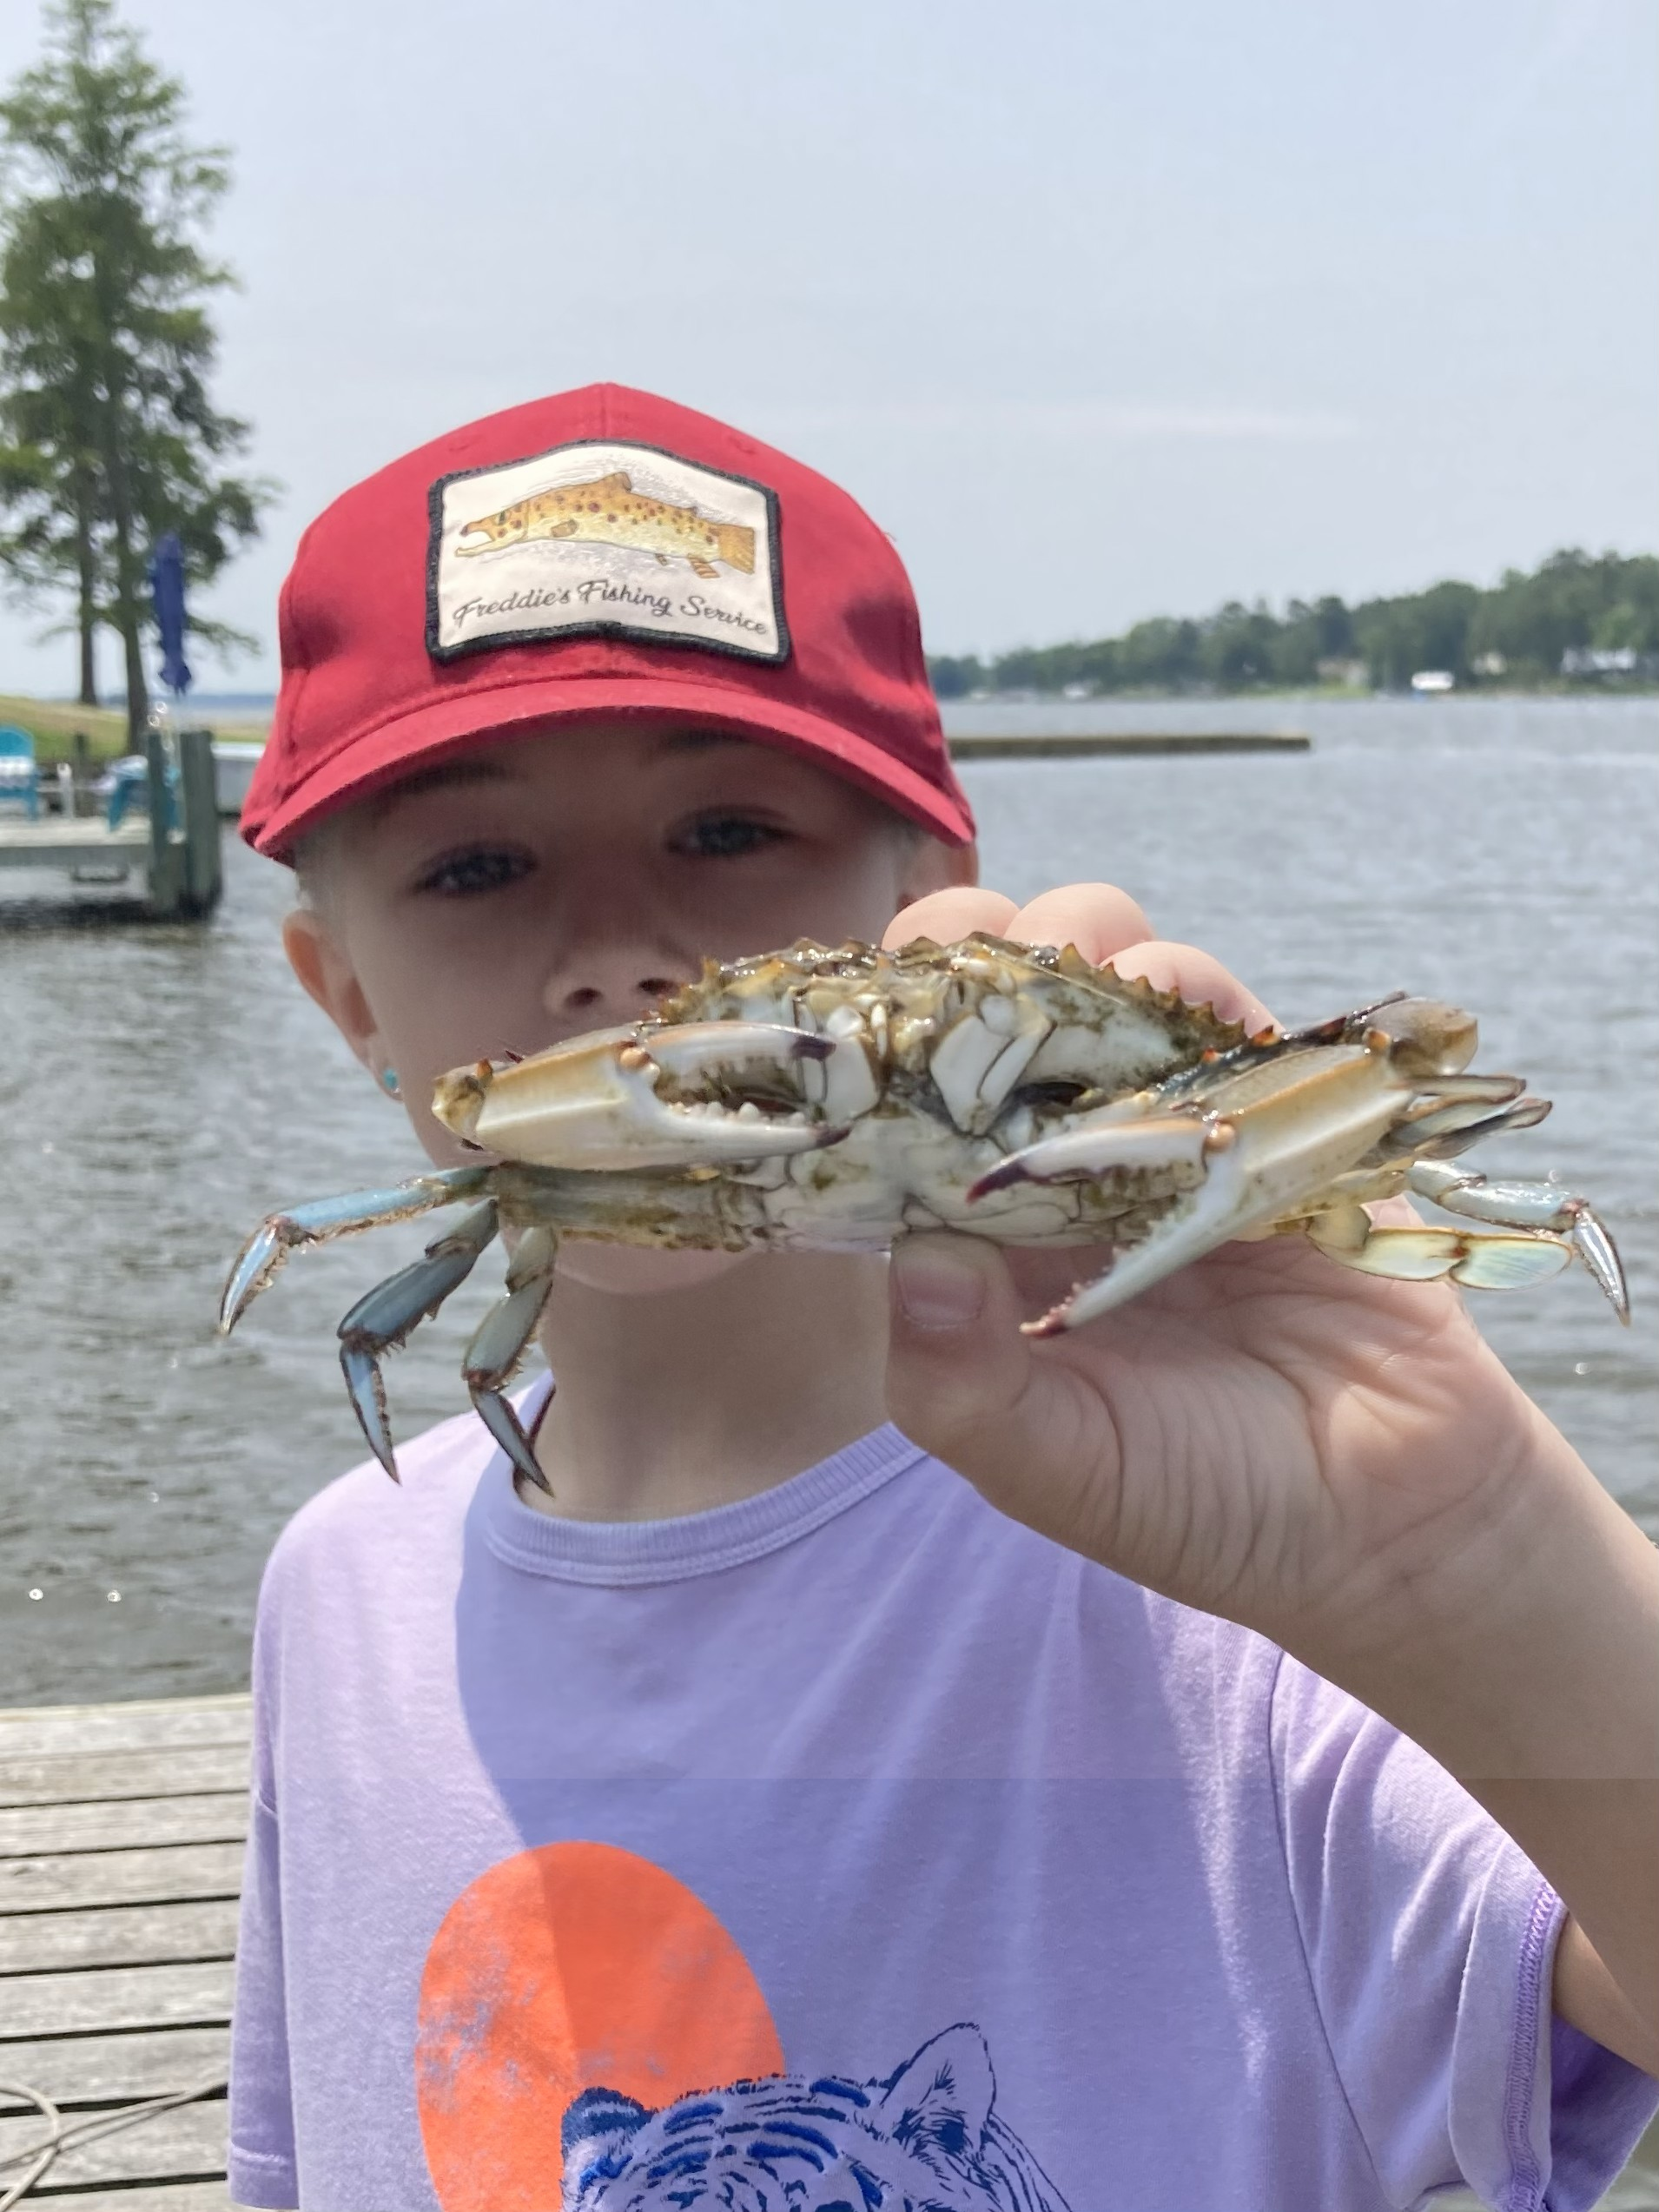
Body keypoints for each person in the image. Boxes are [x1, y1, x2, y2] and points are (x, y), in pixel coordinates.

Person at [227, 383, 1657, 2212]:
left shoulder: (1221, 1590)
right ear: (341, 995)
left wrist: (1464, 1556)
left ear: (933, 902)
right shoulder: (333, 1586)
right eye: (477, 865)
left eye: (729, 832)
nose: (620, 959)